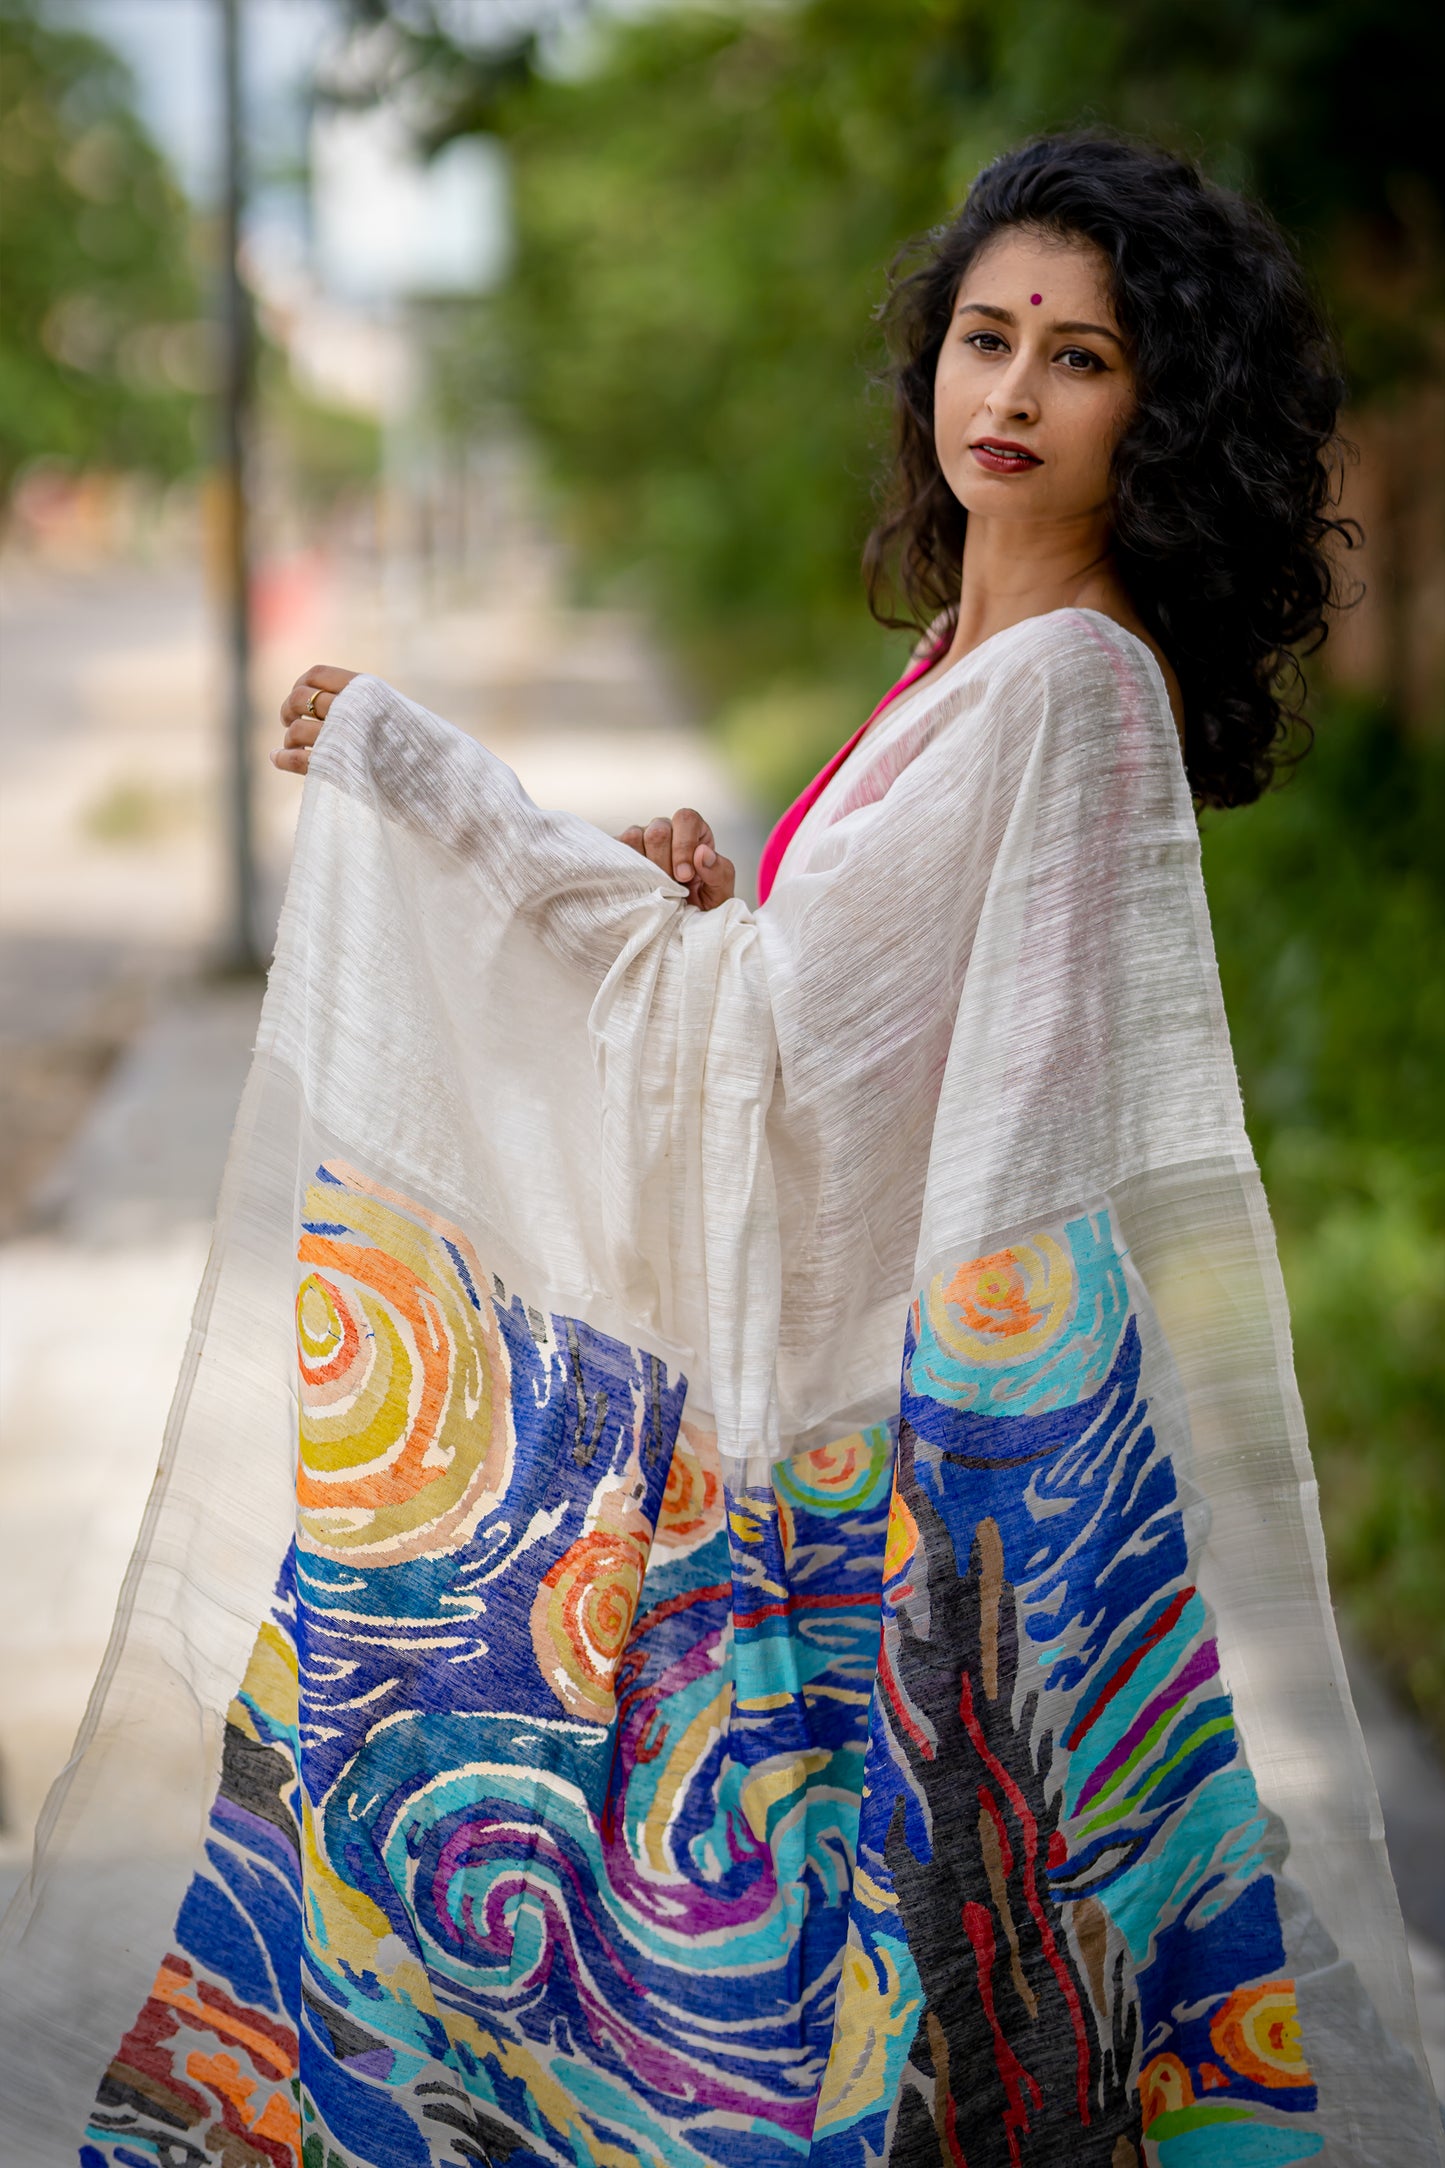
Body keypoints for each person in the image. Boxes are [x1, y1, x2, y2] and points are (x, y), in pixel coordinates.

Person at [2, 134, 1440, 2168]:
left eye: (1082, 356)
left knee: (686, 1973)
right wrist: (679, 898)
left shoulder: (1068, 691)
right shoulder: (962, 666)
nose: (1010, 393)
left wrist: (448, 796)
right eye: (983, 336)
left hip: (873, 1466)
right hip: (839, 1425)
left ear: (1164, 410)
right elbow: (809, 1002)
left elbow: (770, 1062)